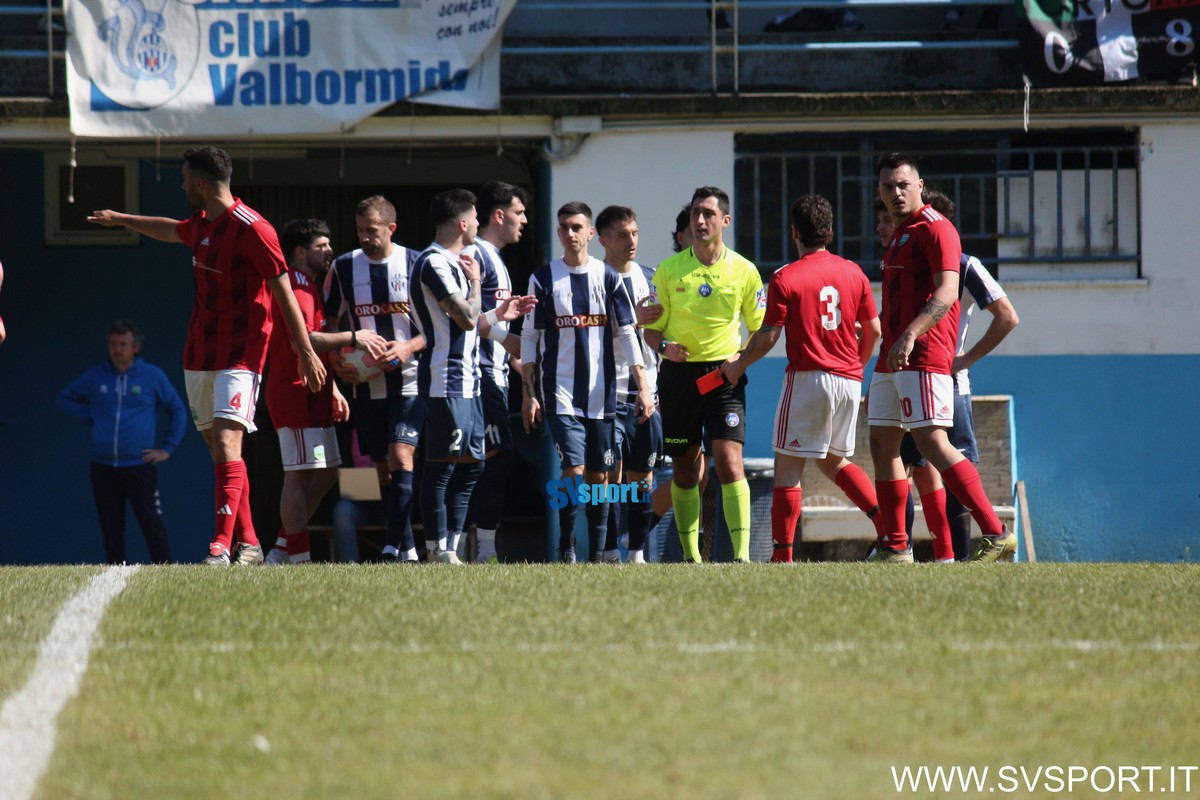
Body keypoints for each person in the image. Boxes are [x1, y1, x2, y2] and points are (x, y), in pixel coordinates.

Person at [88, 146, 326, 566]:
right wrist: (122, 218)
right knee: (220, 451)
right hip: (199, 353)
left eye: (184, 179)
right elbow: (170, 230)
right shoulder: (200, 223)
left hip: (242, 353)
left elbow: (283, 291)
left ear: (199, 183)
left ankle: (220, 544)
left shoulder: (254, 229)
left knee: (228, 440)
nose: (181, 186)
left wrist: (305, 350)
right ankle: (250, 543)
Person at [867, 153, 1015, 563]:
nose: (895, 193)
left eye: (903, 184)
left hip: (923, 353)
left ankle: (996, 531)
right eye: (887, 187)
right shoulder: (900, 234)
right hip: (891, 355)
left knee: (932, 443)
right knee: (881, 441)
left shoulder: (936, 228)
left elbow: (948, 292)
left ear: (920, 185)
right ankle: (897, 545)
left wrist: (911, 333)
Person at [723, 195, 885, 562]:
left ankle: (782, 556)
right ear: (830, 230)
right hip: (848, 381)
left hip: (809, 379)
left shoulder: (786, 276)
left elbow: (769, 335)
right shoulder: (854, 272)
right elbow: (874, 330)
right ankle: (890, 529)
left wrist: (740, 364)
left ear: (794, 232)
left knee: (788, 464)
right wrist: (857, 368)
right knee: (833, 461)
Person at [520, 201, 653, 563]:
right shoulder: (543, 278)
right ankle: (566, 546)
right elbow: (530, 336)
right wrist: (529, 393)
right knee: (574, 471)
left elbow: (628, 332)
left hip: (603, 395)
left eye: (577, 227)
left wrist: (642, 386)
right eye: (564, 227)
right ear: (558, 232)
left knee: (600, 476)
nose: (570, 233)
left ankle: (597, 554)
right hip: (560, 392)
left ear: (591, 233)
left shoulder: (607, 277)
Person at [411, 189, 535, 564]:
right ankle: (436, 547)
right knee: (442, 466)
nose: (479, 224)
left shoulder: (457, 262)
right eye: (476, 218)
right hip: (444, 378)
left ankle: (452, 546)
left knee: (473, 466)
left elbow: (473, 321)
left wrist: (500, 315)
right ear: (463, 223)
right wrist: (478, 284)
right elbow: (465, 318)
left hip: (471, 380)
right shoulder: (434, 262)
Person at [643, 186, 765, 563]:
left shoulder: (744, 270)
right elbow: (651, 330)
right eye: (696, 213)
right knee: (685, 470)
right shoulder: (669, 270)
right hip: (679, 378)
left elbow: (760, 328)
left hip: (724, 376)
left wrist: (740, 361)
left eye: (708, 214)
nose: (700, 220)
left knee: (729, 462)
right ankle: (692, 557)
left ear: (725, 221)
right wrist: (664, 347)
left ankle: (742, 557)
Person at [264, 218, 388, 565]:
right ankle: (297, 555)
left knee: (328, 470)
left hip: (315, 392)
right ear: (300, 252)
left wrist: (332, 388)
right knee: (299, 473)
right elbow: (303, 341)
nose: (330, 251)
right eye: (321, 246)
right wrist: (355, 337)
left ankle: (282, 547)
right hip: (294, 392)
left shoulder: (311, 286)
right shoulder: (297, 284)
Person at [907, 190, 1020, 560]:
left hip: (947, 382)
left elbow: (1007, 316)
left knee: (953, 463)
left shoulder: (965, 265)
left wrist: (966, 358)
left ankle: (963, 554)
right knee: (901, 459)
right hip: (907, 376)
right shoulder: (908, 262)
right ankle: (903, 548)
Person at [323, 196, 426, 563]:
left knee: (401, 455)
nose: (365, 237)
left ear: (391, 228)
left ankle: (393, 547)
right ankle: (406, 546)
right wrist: (336, 361)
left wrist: (409, 346)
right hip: (365, 384)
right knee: (382, 468)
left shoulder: (416, 264)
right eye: (360, 230)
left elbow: (439, 328)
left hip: (410, 381)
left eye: (372, 230)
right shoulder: (344, 267)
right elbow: (329, 322)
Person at [58, 319, 187, 564]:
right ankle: (115, 568)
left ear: (135, 347)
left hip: (139, 464)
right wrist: (92, 417)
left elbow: (177, 409)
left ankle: (165, 567)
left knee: (151, 520)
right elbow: (66, 399)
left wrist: (167, 449)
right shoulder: (96, 376)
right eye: (113, 344)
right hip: (103, 465)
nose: (117, 349)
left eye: (123, 344)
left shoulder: (152, 376)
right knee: (110, 524)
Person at [464, 181, 528, 563]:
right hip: (476, 373)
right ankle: (470, 547)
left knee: (489, 459)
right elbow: (463, 318)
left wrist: (517, 363)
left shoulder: (497, 259)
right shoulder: (475, 255)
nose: (525, 220)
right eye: (520, 213)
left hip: (496, 374)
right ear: (499, 215)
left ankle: (464, 545)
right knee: (492, 458)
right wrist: (507, 338)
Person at [595, 205, 663, 564]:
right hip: (609, 392)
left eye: (634, 233)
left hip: (646, 392)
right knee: (609, 474)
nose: (631, 241)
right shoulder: (594, 280)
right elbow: (586, 337)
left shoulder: (650, 277)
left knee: (642, 477)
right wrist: (630, 320)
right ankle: (608, 550)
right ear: (604, 240)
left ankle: (636, 552)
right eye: (623, 235)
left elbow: (659, 332)